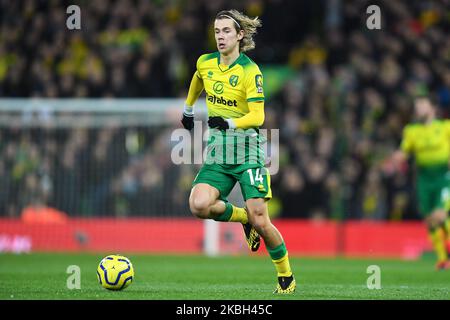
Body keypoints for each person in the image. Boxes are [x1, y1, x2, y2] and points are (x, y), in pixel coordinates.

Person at [180, 9, 295, 293]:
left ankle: (286, 276)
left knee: (262, 219)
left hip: (247, 153)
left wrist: (229, 122)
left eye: (226, 31)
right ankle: (242, 218)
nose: (220, 36)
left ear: (240, 35)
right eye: (217, 31)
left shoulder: (249, 71)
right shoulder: (205, 63)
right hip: (219, 153)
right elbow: (197, 79)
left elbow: (258, 117)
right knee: (198, 205)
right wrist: (188, 108)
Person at [392, 95, 450, 270]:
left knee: (441, 215)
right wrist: (397, 158)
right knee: (430, 220)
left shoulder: (445, 127)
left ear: (433, 108)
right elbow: (404, 151)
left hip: (443, 176)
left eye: (422, 105)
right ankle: (442, 259)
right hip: (424, 179)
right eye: (417, 106)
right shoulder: (411, 130)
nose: (418, 109)